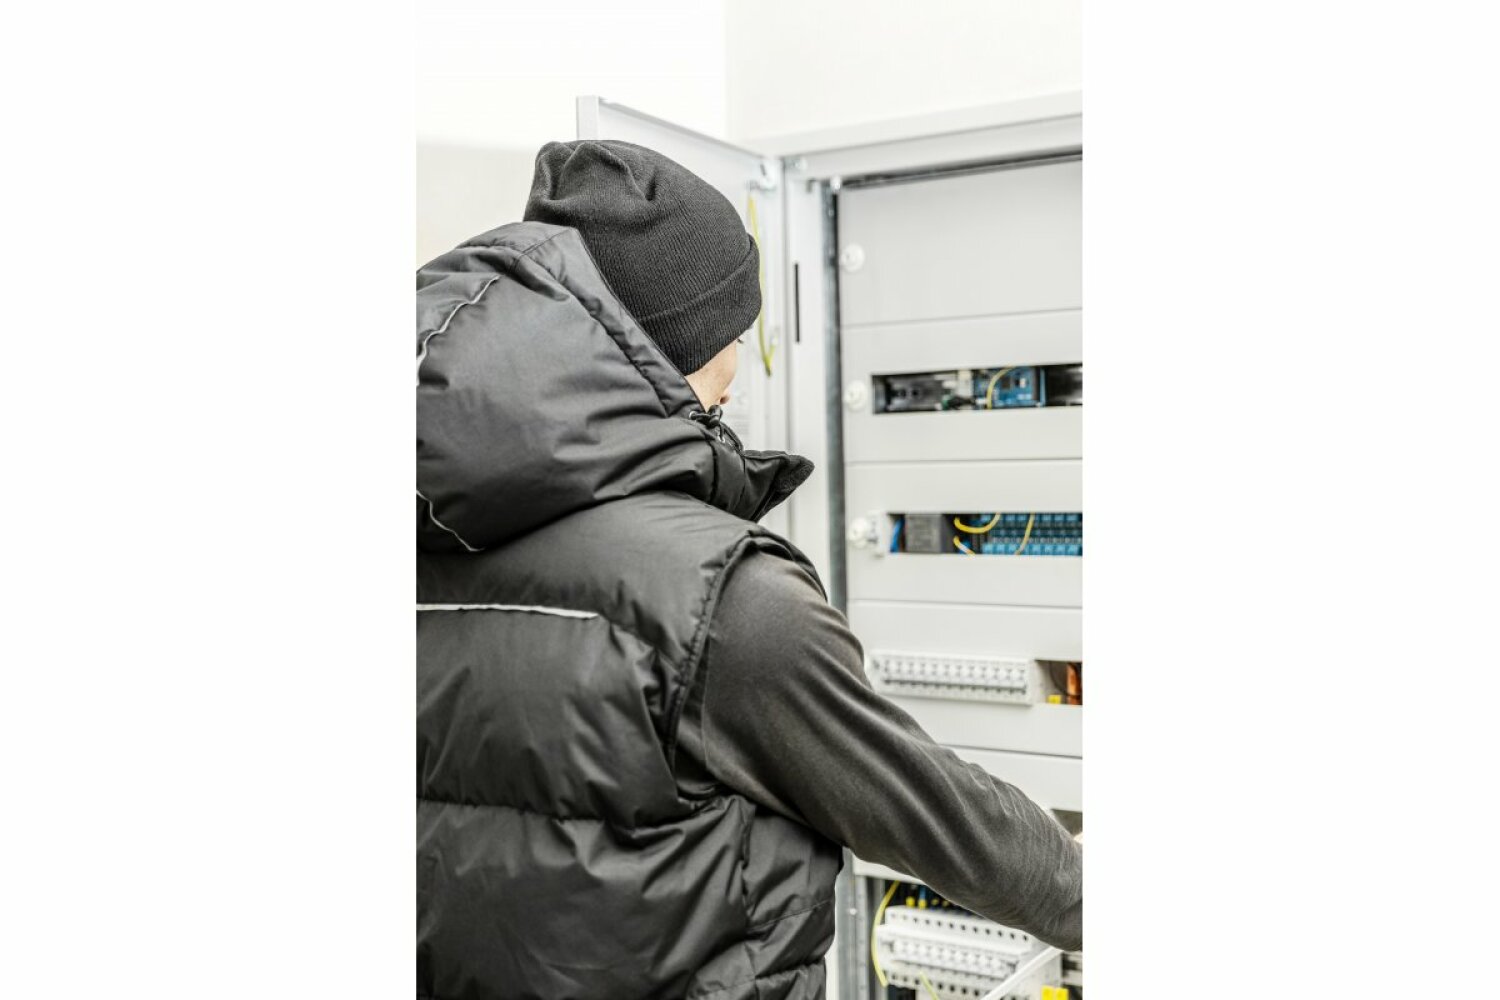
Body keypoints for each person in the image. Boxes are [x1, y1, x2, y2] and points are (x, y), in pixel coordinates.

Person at [416, 139, 1082, 1000]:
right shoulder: (726, 601)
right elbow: (943, 818)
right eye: (734, 331)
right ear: (677, 339)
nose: (737, 370)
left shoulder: (428, 539)